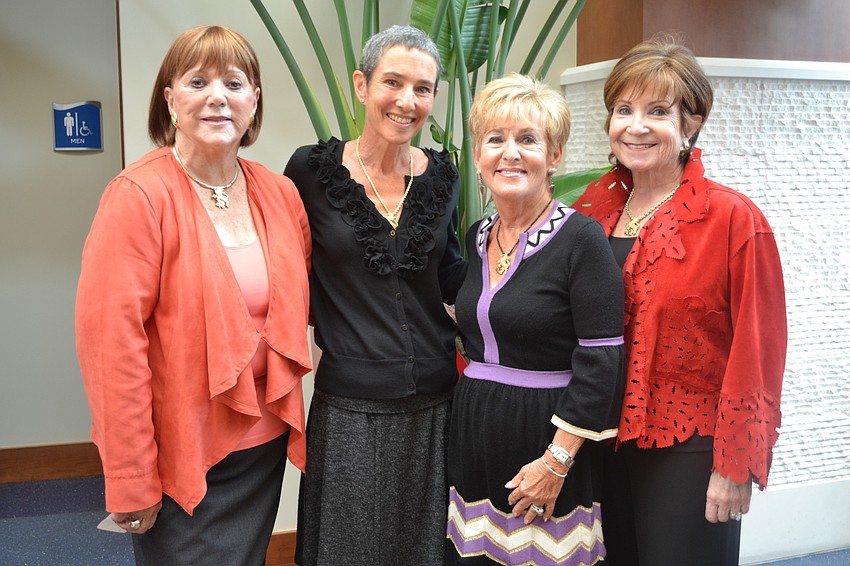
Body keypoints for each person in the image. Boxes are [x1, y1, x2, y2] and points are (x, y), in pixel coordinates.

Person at [75, 26, 312, 565]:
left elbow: (308, 298)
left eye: (234, 82)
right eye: (198, 81)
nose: (217, 97)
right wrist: (131, 475)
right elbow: (112, 351)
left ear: (254, 100)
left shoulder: (278, 193)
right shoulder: (138, 197)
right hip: (180, 451)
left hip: (262, 446)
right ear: (170, 99)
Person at [572, 36, 788, 566]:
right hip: (599, 441)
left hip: (687, 447)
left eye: (658, 111)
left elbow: (758, 349)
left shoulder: (732, 218)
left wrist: (734, 464)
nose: (636, 125)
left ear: (691, 123)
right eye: (624, 109)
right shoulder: (588, 211)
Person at [283, 25, 467, 565]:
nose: (407, 101)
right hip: (349, 410)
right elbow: (284, 268)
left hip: (435, 406)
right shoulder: (310, 172)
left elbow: (450, 271)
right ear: (362, 86)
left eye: (424, 88)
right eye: (393, 82)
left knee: (425, 551)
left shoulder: (443, 178)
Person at [446, 73, 626, 565]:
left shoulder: (582, 241)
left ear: (554, 156)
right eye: (496, 139)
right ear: (479, 155)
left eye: (528, 139)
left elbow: (601, 362)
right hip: (477, 430)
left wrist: (557, 460)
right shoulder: (477, 237)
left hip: (546, 438)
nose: (510, 153)